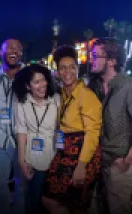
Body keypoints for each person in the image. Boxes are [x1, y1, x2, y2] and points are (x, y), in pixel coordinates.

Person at [89, 37, 132, 214]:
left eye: (96, 56)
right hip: (95, 162)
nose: (91, 60)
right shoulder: (94, 86)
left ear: (112, 61)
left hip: (117, 164)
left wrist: (127, 161)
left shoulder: (130, 88)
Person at [42, 45, 102, 214]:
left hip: (82, 155)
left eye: (71, 67)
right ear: (57, 71)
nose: (67, 72)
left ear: (77, 69)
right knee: (58, 201)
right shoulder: (62, 94)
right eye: (62, 68)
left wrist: (82, 165)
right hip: (65, 153)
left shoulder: (86, 96)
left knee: (67, 202)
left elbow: (92, 133)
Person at [0, 37, 26, 214]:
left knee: (22, 186)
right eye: (9, 47)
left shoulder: (30, 75)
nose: (13, 50)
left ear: (21, 53)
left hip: (23, 141)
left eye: (17, 48)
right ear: (1, 52)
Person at [12, 64, 59, 213]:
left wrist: (61, 155)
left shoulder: (56, 99)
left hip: (54, 156)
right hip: (32, 156)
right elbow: (21, 131)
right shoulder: (22, 102)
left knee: (51, 200)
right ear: (27, 86)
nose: (42, 85)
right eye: (36, 82)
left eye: (43, 80)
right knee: (33, 198)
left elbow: (61, 129)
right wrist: (21, 160)